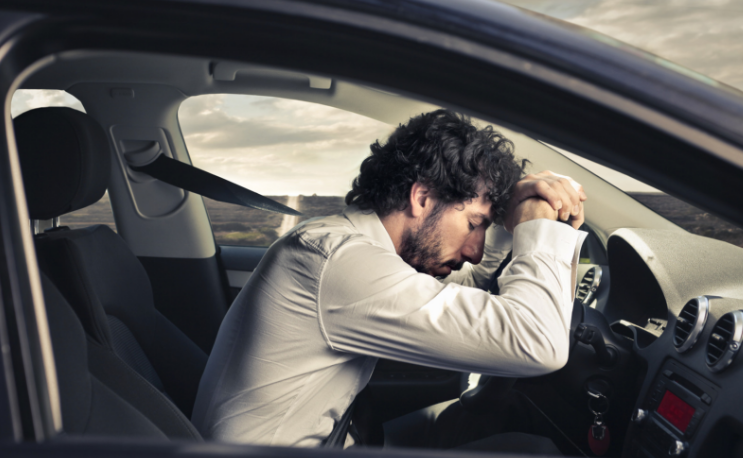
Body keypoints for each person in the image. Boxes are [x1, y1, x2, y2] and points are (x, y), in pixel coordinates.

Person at [191, 109, 587, 450]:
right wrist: (535, 222)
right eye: (473, 224)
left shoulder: (349, 246)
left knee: (485, 420)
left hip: (343, 438)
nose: (474, 251)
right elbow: (539, 343)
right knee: (531, 450)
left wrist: (508, 221)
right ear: (422, 198)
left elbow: (465, 294)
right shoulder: (339, 262)